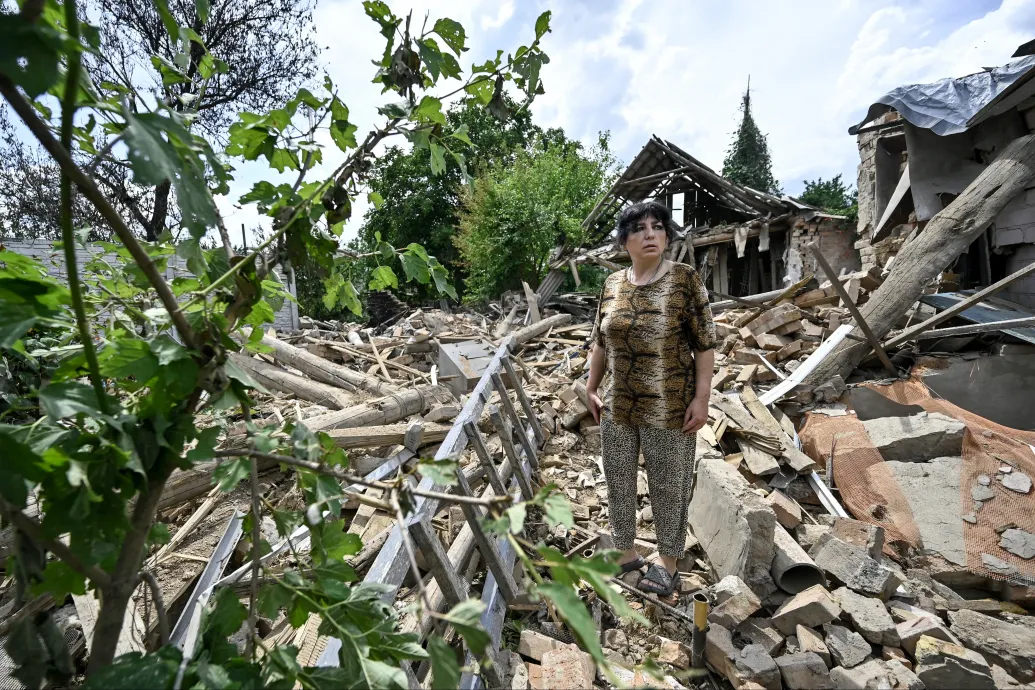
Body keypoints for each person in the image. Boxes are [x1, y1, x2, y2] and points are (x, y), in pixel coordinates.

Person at [586, 200, 716, 598]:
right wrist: (591, 387)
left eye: (658, 227)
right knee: (619, 479)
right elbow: (601, 341)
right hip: (618, 405)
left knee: (668, 484)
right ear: (625, 240)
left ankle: (668, 563)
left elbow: (705, 344)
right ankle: (624, 553)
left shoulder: (683, 279)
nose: (650, 235)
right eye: (640, 228)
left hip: (670, 405)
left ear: (667, 236)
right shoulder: (613, 284)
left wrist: (702, 398)